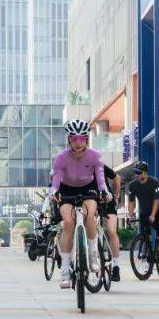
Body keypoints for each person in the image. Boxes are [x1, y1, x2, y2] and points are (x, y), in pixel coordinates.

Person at [50, 119, 107, 289]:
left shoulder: (95, 156)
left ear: (86, 140)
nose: (77, 142)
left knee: (89, 217)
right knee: (68, 223)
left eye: (81, 138)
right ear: (69, 139)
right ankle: (65, 271)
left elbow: (100, 179)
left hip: (88, 188)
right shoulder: (61, 158)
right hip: (66, 189)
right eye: (74, 138)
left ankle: (93, 254)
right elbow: (55, 182)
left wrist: (104, 191)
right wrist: (54, 192)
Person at [126, 160, 159, 268]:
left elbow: (156, 200)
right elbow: (131, 202)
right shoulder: (133, 185)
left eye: (138, 173)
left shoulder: (154, 182)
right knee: (146, 237)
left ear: (145, 173)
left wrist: (153, 215)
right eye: (135, 172)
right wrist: (130, 216)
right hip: (144, 214)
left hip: (156, 213)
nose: (136, 175)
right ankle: (148, 260)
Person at [101, 163, 123, 281]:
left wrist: (116, 195)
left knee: (111, 231)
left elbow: (117, 177)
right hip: (89, 199)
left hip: (107, 200)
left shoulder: (99, 165)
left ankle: (116, 266)